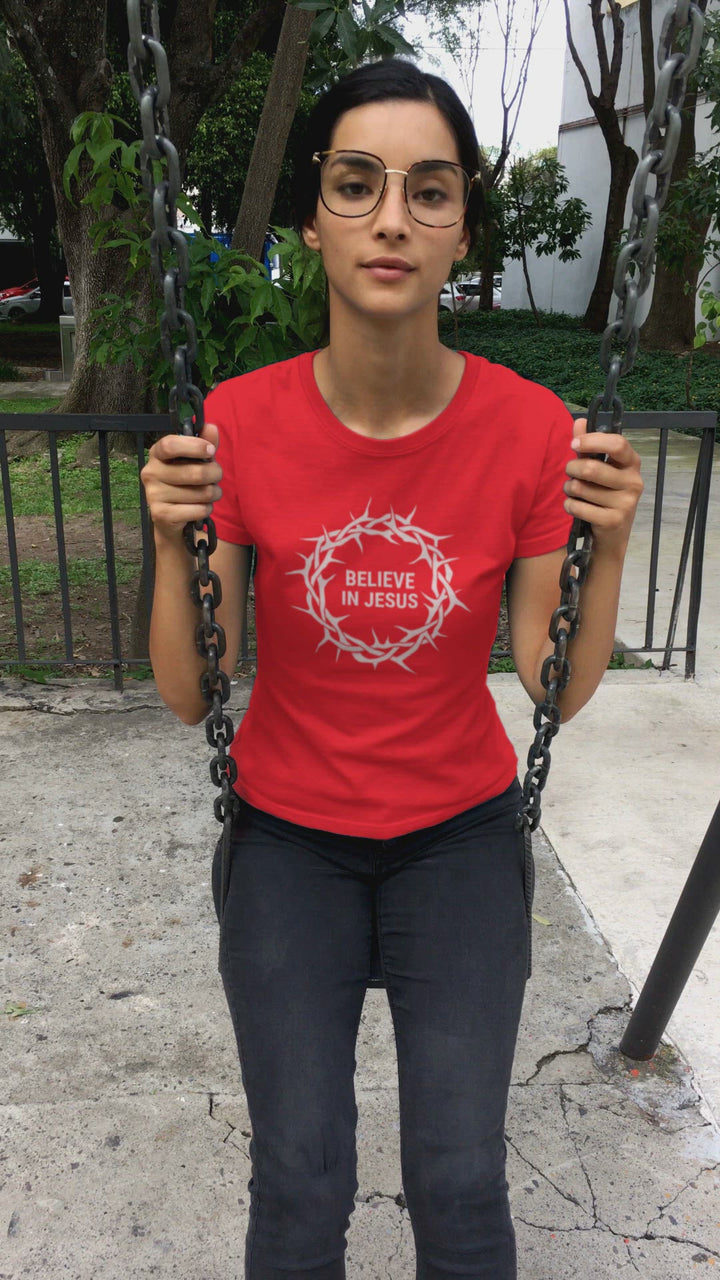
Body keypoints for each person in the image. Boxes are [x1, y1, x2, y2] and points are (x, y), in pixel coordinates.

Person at [140, 57, 642, 1280]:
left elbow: (552, 684)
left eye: (429, 190)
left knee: (460, 1184)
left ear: (462, 226)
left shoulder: (529, 428)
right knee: (301, 1182)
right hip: (288, 836)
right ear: (313, 218)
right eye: (356, 183)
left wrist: (611, 547)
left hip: (458, 834)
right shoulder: (239, 422)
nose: (390, 219)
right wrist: (170, 543)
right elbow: (195, 690)